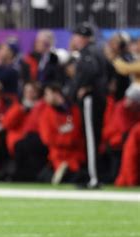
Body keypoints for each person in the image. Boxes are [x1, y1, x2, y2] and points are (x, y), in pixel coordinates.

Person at [69, 23, 108, 188]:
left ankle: (94, 178)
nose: (74, 39)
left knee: (91, 139)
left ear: (82, 37)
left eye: (76, 36)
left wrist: (83, 87)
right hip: (96, 98)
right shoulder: (98, 51)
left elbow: (90, 71)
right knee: (92, 138)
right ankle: (93, 175)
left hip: (90, 99)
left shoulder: (88, 53)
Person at [40, 84, 85, 184]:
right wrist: (66, 139)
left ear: (56, 94)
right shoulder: (46, 113)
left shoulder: (74, 110)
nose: (45, 98)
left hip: (75, 154)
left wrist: (64, 137)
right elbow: (47, 138)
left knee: (77, 175)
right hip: (57, 155)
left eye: (47, 94)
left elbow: (77, 133)